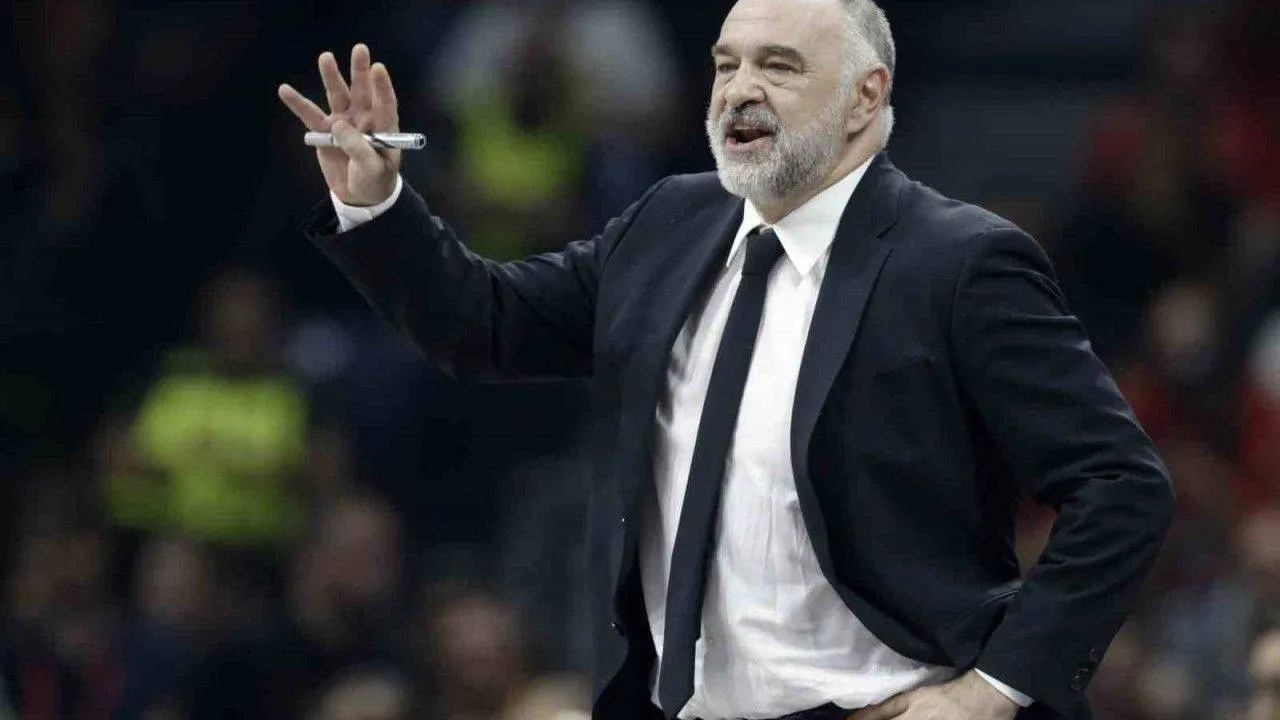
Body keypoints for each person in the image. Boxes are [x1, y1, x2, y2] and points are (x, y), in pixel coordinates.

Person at [277, 1, 1175, 718]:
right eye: (725, 64)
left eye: (779, 66)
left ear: (865, 96)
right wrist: (379, 206)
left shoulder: (960, 263)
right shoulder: (668, 222)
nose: (740, 89)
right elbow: (484, 324)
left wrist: (994, 689)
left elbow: (1121, 484)